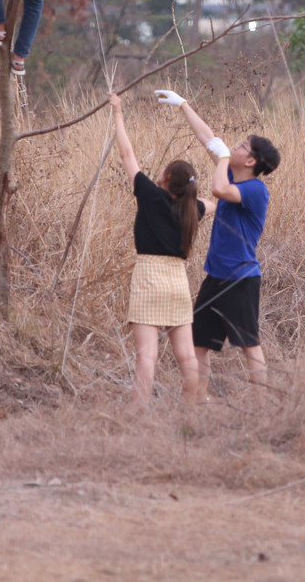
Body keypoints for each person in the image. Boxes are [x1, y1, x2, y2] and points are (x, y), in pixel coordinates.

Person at [154, 89, 280, 401]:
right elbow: (208, 138)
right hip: (216, 276)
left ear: (250, 160)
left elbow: (217, 189)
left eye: (241, 146)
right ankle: (195, 405)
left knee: (249, 346)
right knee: (199, 345)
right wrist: (184, 104)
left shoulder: (254, 190)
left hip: (241, 278)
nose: (232, 146)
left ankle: (260, 406)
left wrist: (222, 158)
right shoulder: (231, 172)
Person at [108, 92, 213, 405]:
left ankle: (139, 416)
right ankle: (192, 412)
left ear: (166, 177)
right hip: (178, 281)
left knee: (147, 356)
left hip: (149, 276)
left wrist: (118, 114)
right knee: (186, 357)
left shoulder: (150, 195)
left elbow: (127, 155)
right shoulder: (196, 208)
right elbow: (217, 201)